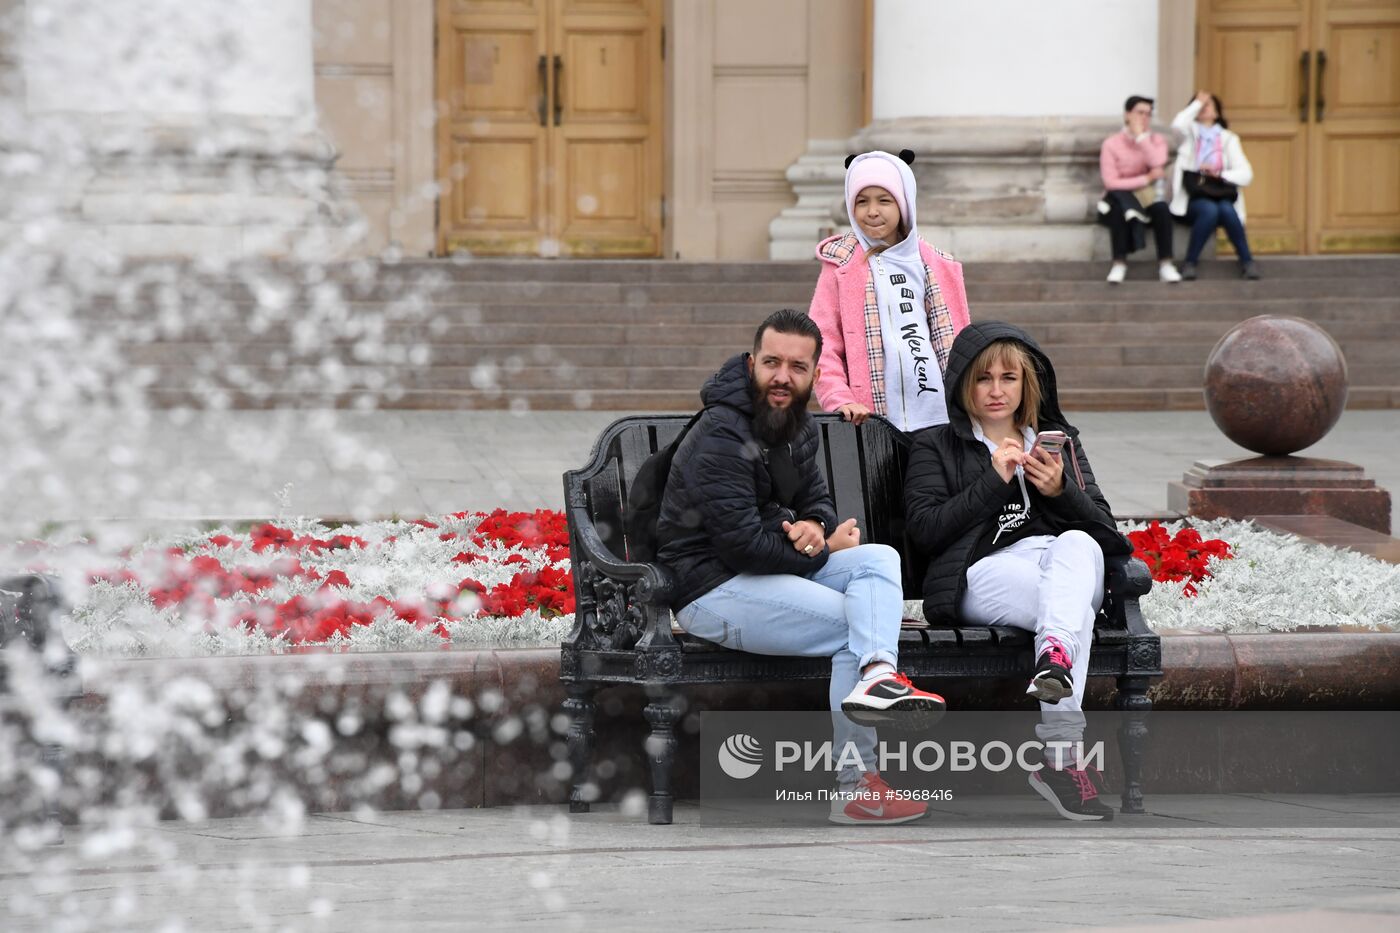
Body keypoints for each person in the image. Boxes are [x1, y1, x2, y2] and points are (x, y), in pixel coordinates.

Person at [657, 308, 947, 826]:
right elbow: (742, 545)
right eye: (772, 363)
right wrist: (822, 547)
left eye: (797, 367)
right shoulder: (722, 433)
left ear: (815, 373)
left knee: (878, 558)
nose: (782, 378)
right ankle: (855, 787)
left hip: (767, 576)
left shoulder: (798, 426)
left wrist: (816, 523)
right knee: (846, 626)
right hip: (710, 587)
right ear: (751, 364)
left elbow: (819, 500)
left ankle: (879, 674)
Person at [903, 321, 1134, 822]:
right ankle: (1061, 757)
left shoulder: (1058, 443)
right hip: (981, 575)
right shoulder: (936, 446)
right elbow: (925, 533)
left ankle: (1055, 660)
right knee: (1070, 614)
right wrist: (991, 481)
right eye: (983, 379)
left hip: (1054, 565)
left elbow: (1109, 534)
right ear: (963, 383)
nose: (995, 390)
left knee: (1076, 544)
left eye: (1009, 378)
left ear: (1027, 384)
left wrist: (1060, 491)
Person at [808, 149, 971, 433]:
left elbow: (963, 344)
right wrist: (839, 398)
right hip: (873, 419)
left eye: (884, 200)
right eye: (861, 201)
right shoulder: (840, 265)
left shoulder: (937, 265)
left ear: (904, 203)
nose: (872, 211)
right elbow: (821, 343)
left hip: (939, 417)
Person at [1170, 91, 1259, 280]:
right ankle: (1190, 263)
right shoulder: (1189, 135)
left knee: (1226, 209)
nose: (1203, 107)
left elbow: (1246, 174)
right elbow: (1177, 125)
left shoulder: (1228, 139)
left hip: (1220, 193)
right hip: (1193, 196)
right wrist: (1195, 105)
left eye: (1208, 104)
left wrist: (1218, 173)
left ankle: (1247, 262)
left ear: (1217, 113)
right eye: (1199, 104)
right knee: (1209, 210)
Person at [1098, 95, 1182, 284]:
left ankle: (1166, 264)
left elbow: (1158, 163)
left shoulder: (1156, 141)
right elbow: (1111, 182)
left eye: (1148, 114)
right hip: (1118, 198)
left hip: (1147, 197)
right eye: (1139, 113)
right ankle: (1119, 263)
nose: (1144, 118)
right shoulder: (1111, 144)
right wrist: (1146, 178)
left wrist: (1142, 139)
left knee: (1161, 209)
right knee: (1120, 207)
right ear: (1127, 115)